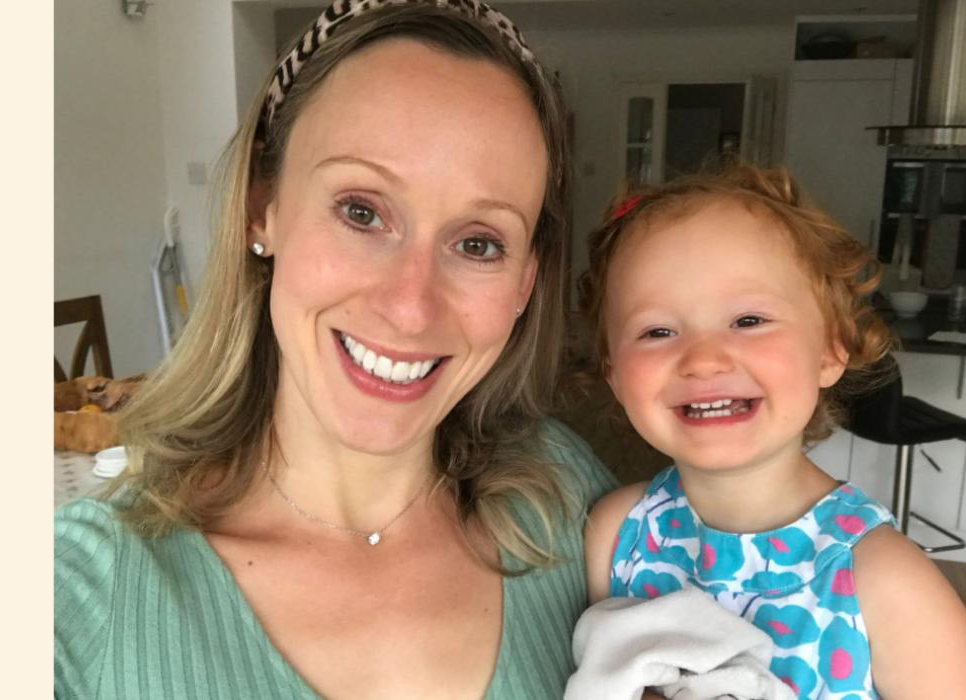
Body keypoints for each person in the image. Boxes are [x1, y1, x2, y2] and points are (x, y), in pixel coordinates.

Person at [54, 2, 618, 698]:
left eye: (479, 243)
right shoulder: (82, 591)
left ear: (527, 281)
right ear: (264, 208)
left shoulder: (567, 500)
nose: (410, 308)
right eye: (362, 211)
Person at [577, 165, 966, 699]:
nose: (703, 360)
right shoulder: (617, 535)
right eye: (657, 331)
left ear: (831, 349)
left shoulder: (886, 580)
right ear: (614, 372)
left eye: (749, 320)